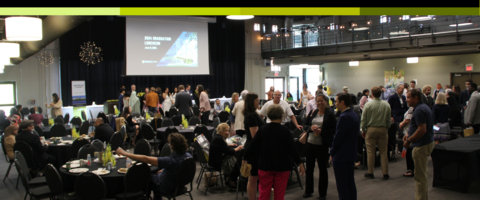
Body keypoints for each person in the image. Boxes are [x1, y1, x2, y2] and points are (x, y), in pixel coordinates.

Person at [244, 104, 305, 200]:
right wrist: (299, 163)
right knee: (279, 194)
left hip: (265, 165)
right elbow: (292, 149)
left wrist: (245, 158)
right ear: (281, 116)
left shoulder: (262, 129)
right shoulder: (285, 130)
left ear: (268, 116)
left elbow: (252, 146)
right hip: (282, 166)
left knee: (264, 193)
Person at [115, 133, 192, 200]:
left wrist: (124, 153)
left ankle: (144, 197)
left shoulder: (169, 160)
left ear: (172, 146)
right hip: (180, 184)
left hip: (166, 186)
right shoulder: (189, 156)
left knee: (146, 178)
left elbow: (146, 158)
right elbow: (178, 169)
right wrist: (163, 171)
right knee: (156, 173)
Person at [303, 94, 336, 199]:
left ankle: (322, 193)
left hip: (321, 145)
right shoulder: (314, 112)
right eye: (318, 101)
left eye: (321, 101)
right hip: (310, 143)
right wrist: (310, 128)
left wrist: (321, 131)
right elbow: (305, 125)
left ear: (326, 102)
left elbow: (333, 130)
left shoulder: (330, 114)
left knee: (322, 169)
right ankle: (308, 191)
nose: (319, 103)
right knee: (309, 168)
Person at [403, 88, 434, 200]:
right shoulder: (422, 107)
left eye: (408, 97)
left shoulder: (420, 110)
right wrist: (410, 135)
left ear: (416, 98)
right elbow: (418, 127)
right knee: (421, 176)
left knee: (420, 177)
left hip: (421, 145)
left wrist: (409, 141)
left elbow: (422, 130)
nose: (406, 100)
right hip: (425, 143)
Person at [331, 92, 359, 200]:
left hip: (341, 156)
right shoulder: (354, 115)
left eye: (337, 102)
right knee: (350, 183)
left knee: (342, 186)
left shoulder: (344, 117)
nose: (335, 104)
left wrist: (332, 152)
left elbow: (338, 138)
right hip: (350, 154)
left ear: (343, 102)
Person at [361, 86, 392, 180]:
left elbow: (364, 119)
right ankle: (385, 173)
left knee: (370, 152)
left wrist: (363, 129)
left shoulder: (368, 105)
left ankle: (371, 172)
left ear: (372, 94)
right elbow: (388, 120)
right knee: (383, 152)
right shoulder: (386, 104)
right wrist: (386, 128)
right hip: (382, 129)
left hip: (371, 129)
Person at [242, 92, 265, 200]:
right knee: (253, 178)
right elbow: (255, 136)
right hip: (254, 150)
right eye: (257, 100)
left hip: (254, 149)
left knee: (254, 178)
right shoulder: (251, 116)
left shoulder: (252, 114)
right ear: (251, 102)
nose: (258, 102)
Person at [209, 123, 244, 189]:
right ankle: (232, 180)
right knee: (238, 162)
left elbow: (222, 148)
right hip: (217, 163)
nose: (228, 133)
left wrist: (229, 145)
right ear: (221, 132)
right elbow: (229, 152)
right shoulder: (219, 139)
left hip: (214, 160)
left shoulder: (217, 137)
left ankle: (229, 178)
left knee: (235, 157)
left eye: (228, 131)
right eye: (226, 131)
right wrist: (238, 148)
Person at [398, 95, 415, 177]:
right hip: (408, 132)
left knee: (410, 152)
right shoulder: (412, 108)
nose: (406, 100)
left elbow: (408, 120)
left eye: (408, 98)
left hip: (409, 133)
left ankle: (411, 169)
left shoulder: (412, 109)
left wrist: (401, 124)